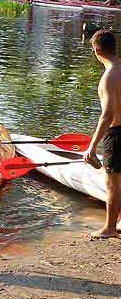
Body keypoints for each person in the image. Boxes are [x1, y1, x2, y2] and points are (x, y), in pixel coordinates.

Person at [84, 30, 121, 239]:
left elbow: (107, 115)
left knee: (112, 183)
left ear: (97, 50)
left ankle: (109, 228)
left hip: (116, 133)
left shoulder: (109, 76)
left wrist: (92, 145)